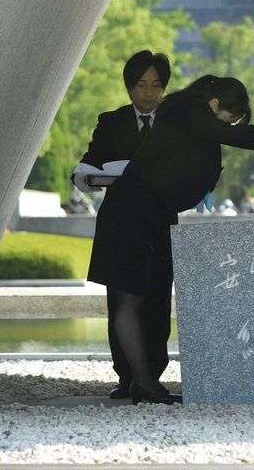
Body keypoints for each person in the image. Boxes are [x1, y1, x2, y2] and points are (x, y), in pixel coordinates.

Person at [86, 74, 254, 404]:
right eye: (228, 117)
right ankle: (144, 384)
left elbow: (217, 136)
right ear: (215, 104)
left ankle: (144, 381)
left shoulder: (186, 112)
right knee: (129, 301)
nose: (228, 126)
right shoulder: (190, 111)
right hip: (132, 215)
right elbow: (223, 133)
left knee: (141, 299)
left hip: (150, 213)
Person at [72, 50, 172, 400]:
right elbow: (89, 165)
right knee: (121, 301)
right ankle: (129, 376)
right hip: (120, 223)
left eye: (155, 86)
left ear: (164, 89)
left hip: (160, 224)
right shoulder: (111, 122)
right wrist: (85, 176)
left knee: (158, 300)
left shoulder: (173, 124)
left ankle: (152, 376)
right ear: (130, 87)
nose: (148, 93)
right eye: (141, 85)